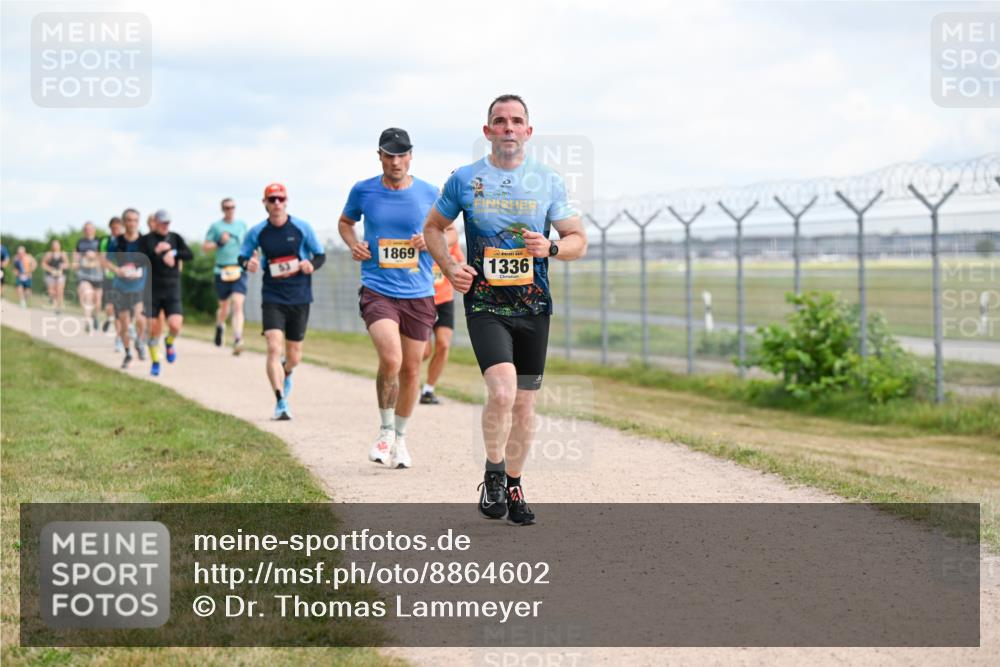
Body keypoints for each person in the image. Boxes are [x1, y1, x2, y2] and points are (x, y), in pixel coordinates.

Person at [423, 94, 588, 525]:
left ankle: (514, 484)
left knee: (526, 406)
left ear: (528, 132)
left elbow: (577, 240)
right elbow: (434, 228)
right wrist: (450, 266)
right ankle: (493, 474)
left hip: (533, 305)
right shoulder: (465, 179)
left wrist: (550, 246)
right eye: (500, 121)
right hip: (485, 303)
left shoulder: (548, 181)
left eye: (517, 121)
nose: (509, 128)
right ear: (488, 131)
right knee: (502, 392)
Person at [339, 128, 439, 469]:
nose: (395, 161)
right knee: (392, 359)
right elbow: (345, 221)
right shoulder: (363, 190)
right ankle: (383, 430)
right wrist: (354, 243)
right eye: (389, 155)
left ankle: (400, 437)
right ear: (379, 156)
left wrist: (430, 240)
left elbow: (449, 228)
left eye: (401, 155)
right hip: (378, 288)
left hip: (419, 292)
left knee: (412, 369)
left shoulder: (429, 192)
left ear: (411, 156)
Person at [239, 183, 325, 421]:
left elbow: (320, 255)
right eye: (272, 199)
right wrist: (249, 264)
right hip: (273, 296)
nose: (276, 203)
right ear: (265, 203)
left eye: (280, 199)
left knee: (294, 355)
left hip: (299, 296)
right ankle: (280, 401)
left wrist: (311, 265)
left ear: (286, 201)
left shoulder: (301, 227)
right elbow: (242, 257)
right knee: (273, 346)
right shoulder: (258, 232)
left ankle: (287, 372)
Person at [138, 209, 193, 376]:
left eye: (167, 223)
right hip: (153, 289)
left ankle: (169, 342)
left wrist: (173, 252)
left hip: (172, 287)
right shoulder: (146, 240)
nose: (165, 226)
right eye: (162, 223)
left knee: (176, 325)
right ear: (155, 222)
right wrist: (156, 252)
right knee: (154, 329)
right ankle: (155, 361)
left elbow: (190, 254)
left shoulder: (175, 238)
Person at [420, 223, 463, 405]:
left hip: (444, 299)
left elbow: (459, 261)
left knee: (444, 345)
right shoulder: (420, 239)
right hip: (421, 300)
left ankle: (428, 390)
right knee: (423, 352)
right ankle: (406, 377)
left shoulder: (449, 240)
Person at [203, 197, 249, 354]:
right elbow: (206, 247)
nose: (230, 210)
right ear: (222, 209)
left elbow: (248, 244)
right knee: (224, 308)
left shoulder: (242, 225)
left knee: (237, 303)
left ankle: (237, 339)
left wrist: (252, 256)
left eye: (233, 207)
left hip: (239, 269)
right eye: (227, 207)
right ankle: (220, 325)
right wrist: (219, 243)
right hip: (221, 270)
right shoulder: (216, 227)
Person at [106, 208, 148, 369]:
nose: (132, 223)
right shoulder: (117, 242)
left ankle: (139, 341)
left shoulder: (144, 241)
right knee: (124, 323)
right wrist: (117, 270)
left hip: (139, 286)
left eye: (135, 220)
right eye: (129, 220)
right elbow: (106, 261)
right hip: (121, 287)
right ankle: (128, 353)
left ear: (138, 222)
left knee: (140, 319)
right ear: (124, 222)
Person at [99, 217, 125, 350]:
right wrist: (112, 269)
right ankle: (117, 335)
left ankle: (120, 337)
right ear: (110, 228)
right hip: (109, 277)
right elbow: (102, 258)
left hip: (125, 280)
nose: (116, 230)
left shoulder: (126, 240)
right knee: (111, 308)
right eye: (114, 228)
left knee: (122, 311)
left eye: (118, 227)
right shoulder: (105, 241)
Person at [73, 222, 104, 332]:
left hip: (97, 274)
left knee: (97, 302)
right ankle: (87, 321)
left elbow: (104, 256)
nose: (88, 230)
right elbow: (75, 255)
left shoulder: (99, 241)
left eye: (90, 229)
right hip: (84, 274)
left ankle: (95, 316)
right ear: (83, 230)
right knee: (86, 295)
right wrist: (75, 263)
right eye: (86, 229)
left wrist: (95, 256)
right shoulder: (80, 242)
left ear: (94, 230)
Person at [41, 239, 70, 315]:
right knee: (52, 292)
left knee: (59, 291)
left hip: (60, 275)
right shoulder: (48, 254)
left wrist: (63, 266)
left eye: (56, 245)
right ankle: (53, 301)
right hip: (50, 275)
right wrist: (50, 269)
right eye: (54, 245)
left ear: (59, 246)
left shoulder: (63, 254)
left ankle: (58, 308)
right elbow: (43, 264)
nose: (55, 246)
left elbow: (67, 264)